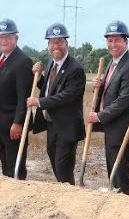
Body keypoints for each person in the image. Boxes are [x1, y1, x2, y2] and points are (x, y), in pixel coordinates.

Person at [87, 20, 129, 194]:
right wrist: (100, 86)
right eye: (110, 40)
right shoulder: (113, 63)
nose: (113, 44)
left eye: (117, 40)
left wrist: (99, 116)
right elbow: (112, 91)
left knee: (120, 172)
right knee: (112, 169)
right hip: (112, 128)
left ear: (126, 41)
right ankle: (115, 196)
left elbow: (123, 100)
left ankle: (124, 201)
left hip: (123, 129)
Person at [29, 23, 86, 184]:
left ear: (66, 43)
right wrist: (38, 77)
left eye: (59, 42)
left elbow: (67, 96)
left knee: (63, 167)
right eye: (52, 43)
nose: (56, 46)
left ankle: (69, 193)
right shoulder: (51, 64)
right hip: (52, 123)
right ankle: (65, 190)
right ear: (48, 45)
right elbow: (51, 89)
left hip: (67, 126)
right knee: (54, 159)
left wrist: (40, 102)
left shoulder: (75, 68)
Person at [0, 19, 33, 178]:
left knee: (15, 166)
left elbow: (24, 96)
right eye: (0, 37)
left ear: (16, 38)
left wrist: (18, 122)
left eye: (8, 37)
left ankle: (17, 190)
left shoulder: (23, 62)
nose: (3, 40)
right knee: (5, 164)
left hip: (12, 125)